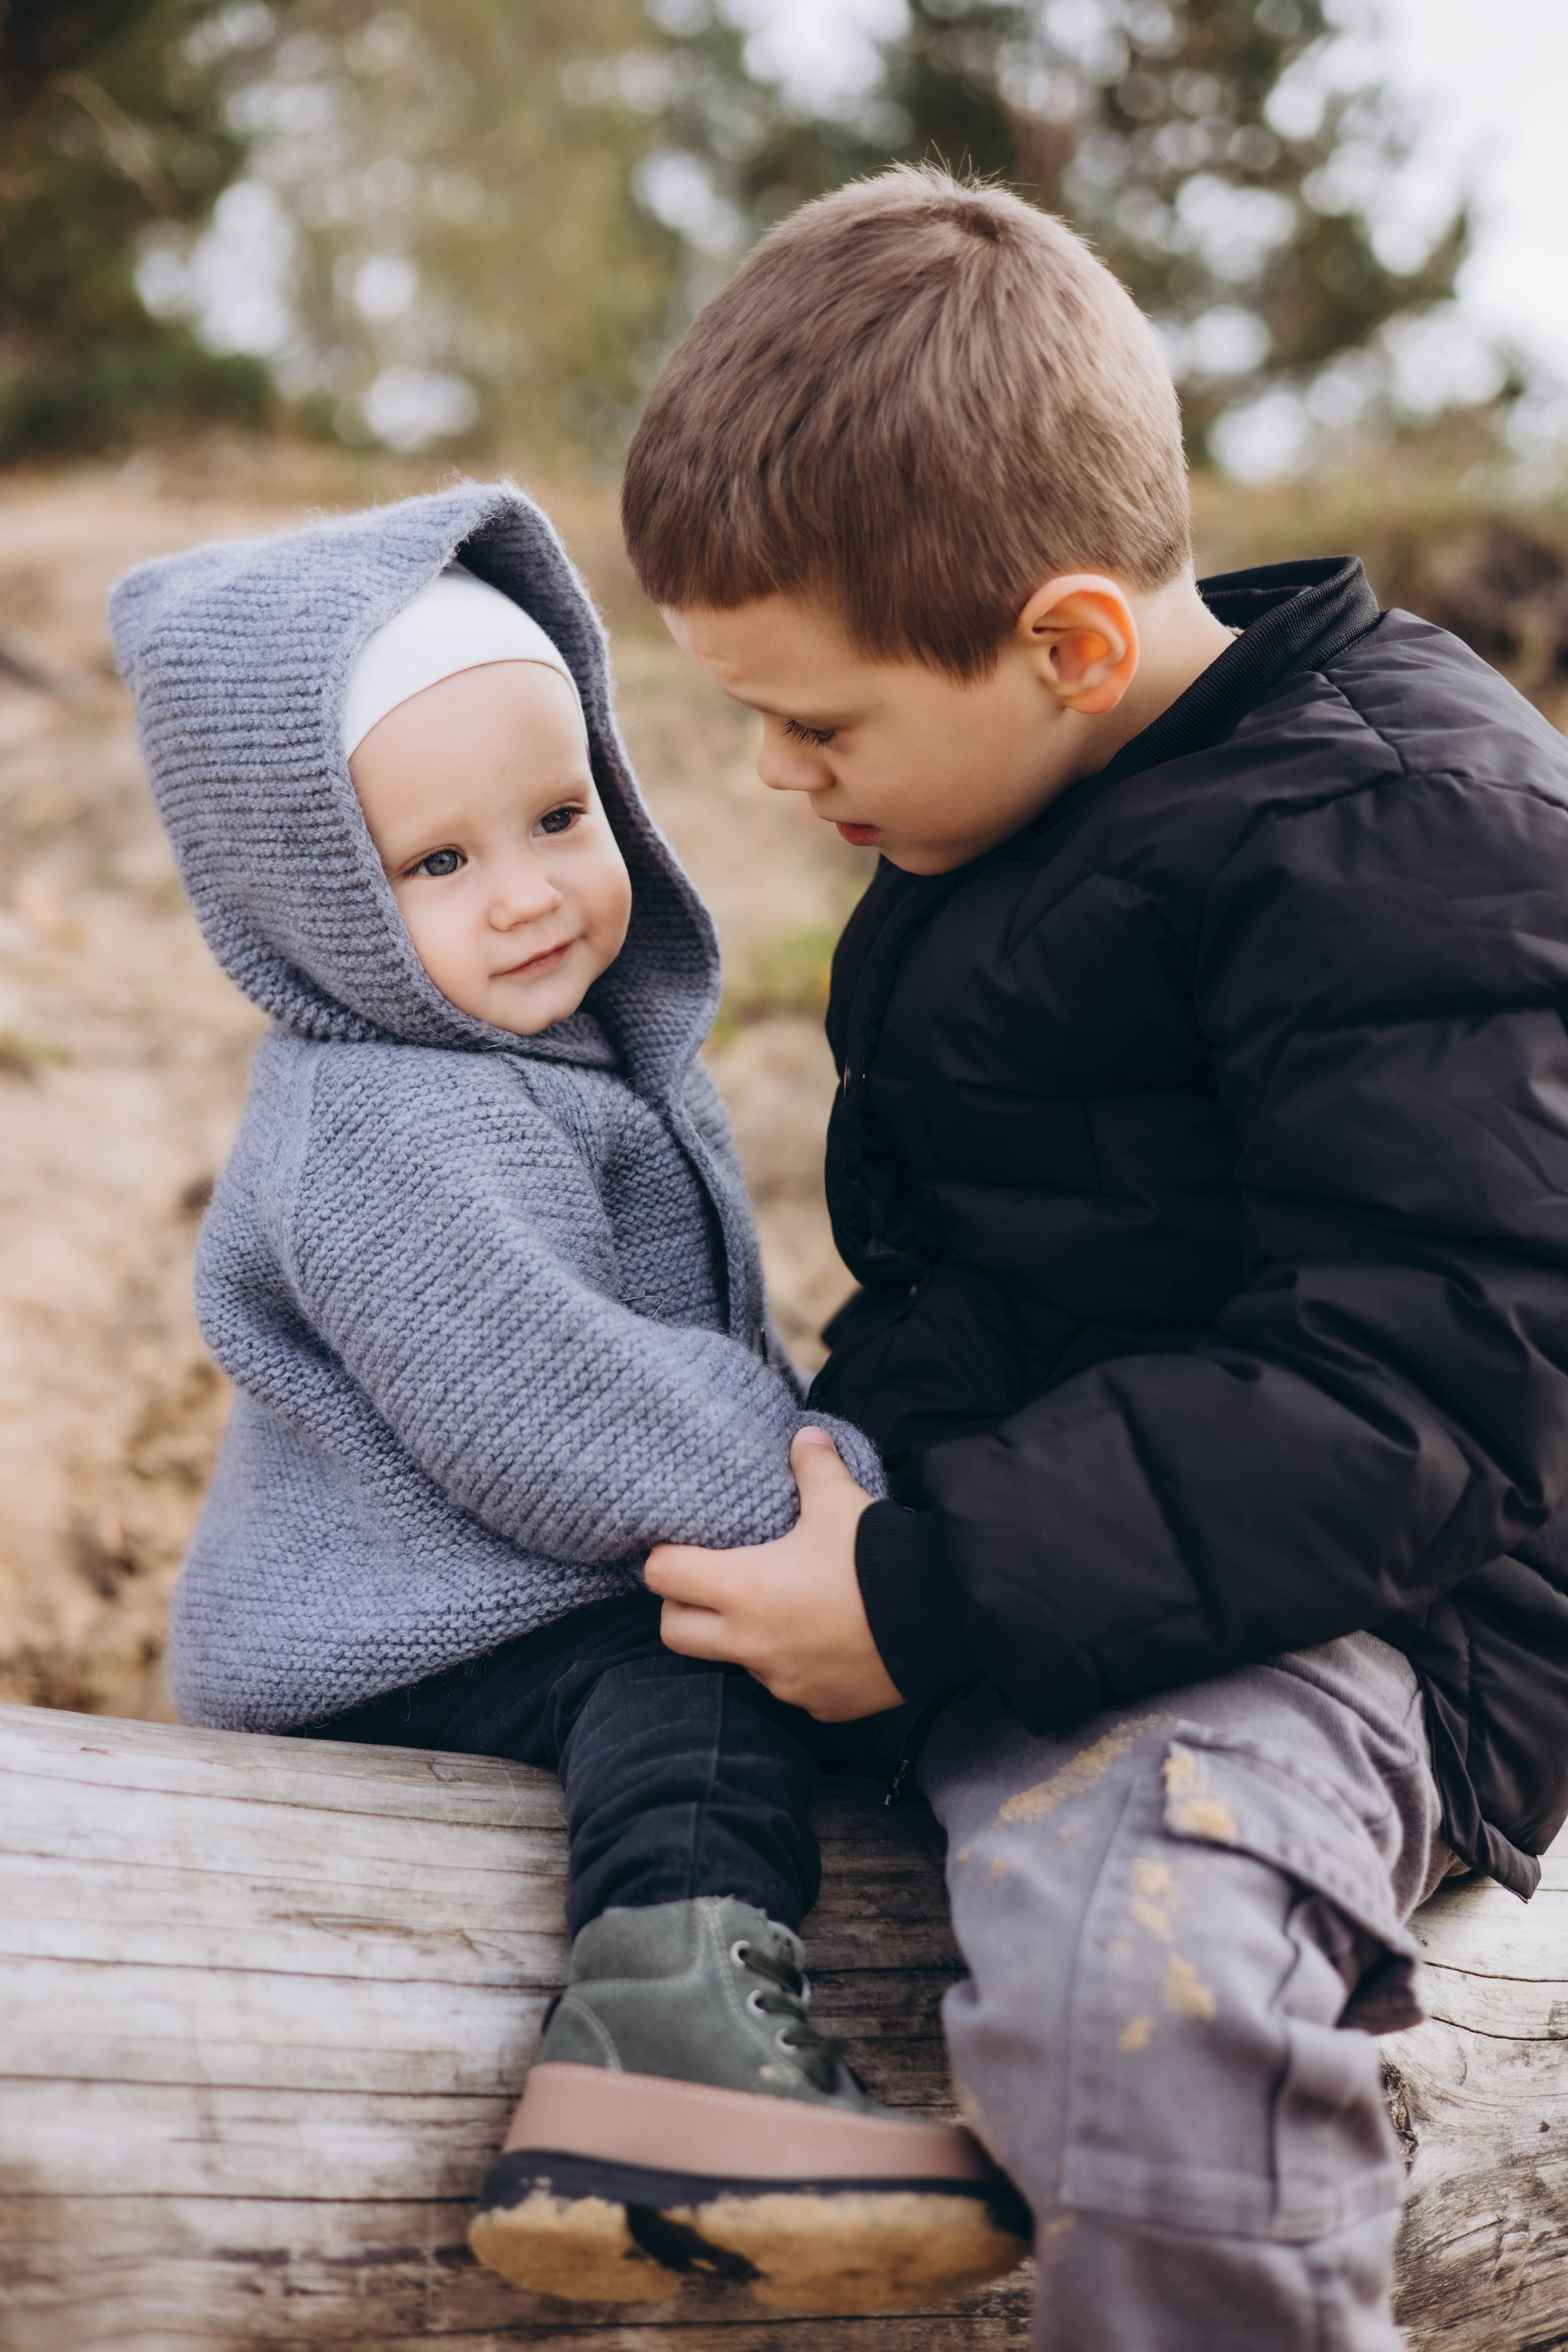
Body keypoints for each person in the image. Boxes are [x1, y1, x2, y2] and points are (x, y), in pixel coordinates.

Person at [622, 166, 1568, 2350]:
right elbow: (1011, 1271)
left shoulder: (1410, 842)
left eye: (819, 724)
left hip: (1357, 1621)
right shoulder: (1031, 793)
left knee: (1131, 1981)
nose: (770, 778)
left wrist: (934, 1588)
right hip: (1074, 1535)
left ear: (1069, 641)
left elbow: (1430, 1390)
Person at [108, 483, 1031, 2315]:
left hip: (511, 1569)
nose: (527, 890)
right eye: (435, 865)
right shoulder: (384, 1116)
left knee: (745, 1649)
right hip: (386, 1637)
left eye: (558, 813)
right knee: (688, 1671)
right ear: (316, 899)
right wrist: (829, 1490)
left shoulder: (543, 1053)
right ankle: (668, 2051)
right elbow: (557, 1414)